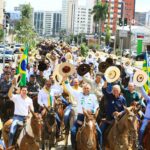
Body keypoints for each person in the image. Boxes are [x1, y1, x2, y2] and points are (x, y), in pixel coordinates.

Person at [64, 80, 102, 150]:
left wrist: (92, 110)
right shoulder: (79, 94)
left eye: (87, 88)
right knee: (73, 131)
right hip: (80, 117)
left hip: (90, 117)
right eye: (85, 88)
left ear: (90, 89)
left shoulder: (93, 96)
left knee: (99, 132)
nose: (86, 89)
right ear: (83, 89)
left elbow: (96, 105)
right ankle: (74, 147)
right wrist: (66, 81)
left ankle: (99, 147)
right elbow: (70, 90)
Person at [7, 78, 34, 147]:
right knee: (12, 132)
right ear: (20, 91)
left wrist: (29, 115)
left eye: (25, 90)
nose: (24, 91)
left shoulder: (29, 100)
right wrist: (13, 85)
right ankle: (10, 147)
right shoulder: (16, 97)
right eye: (23, 90)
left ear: (27, 91)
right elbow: (9, 95)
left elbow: (32, 110)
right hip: (17, 117)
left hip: (26, 118)